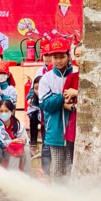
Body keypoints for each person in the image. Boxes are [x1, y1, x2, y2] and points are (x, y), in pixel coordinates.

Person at [38, 38, 73, 179]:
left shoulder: (76, 74)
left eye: (62, 57)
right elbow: (46, 104)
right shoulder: (46, 78)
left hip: (74, 130)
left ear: (68, 56)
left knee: (72, 167)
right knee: (57, 167)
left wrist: (57, 98)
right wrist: (63, 96)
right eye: (55, 57)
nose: (58, 61)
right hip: (54, 130)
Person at [0, 99, 31, 173]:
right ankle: (13, 176)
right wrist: (11, 142)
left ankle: (27, 175)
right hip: (1, 152)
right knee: (15, 147)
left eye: (6, 111)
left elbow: (27, 141)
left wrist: (23, 141)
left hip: (16, 151)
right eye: (1, 111)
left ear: (12, 112)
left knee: (25, 149)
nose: (3, 113)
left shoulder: (19, 125)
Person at [62, 66, 79, 158]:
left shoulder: (97, 77)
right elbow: (64, 101)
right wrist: (73, 106)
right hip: (73, 126)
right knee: (74, 160)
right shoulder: (72, 77)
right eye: (78, 57)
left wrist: (76, 93)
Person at [26, 76, 43, 159]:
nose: (38, 91)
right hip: (37, 117)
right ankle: (33, 145)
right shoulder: (34, 99)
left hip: (47, 120)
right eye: (36, 89)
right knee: (33, 118)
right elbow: (30, 110)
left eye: (40, 88)